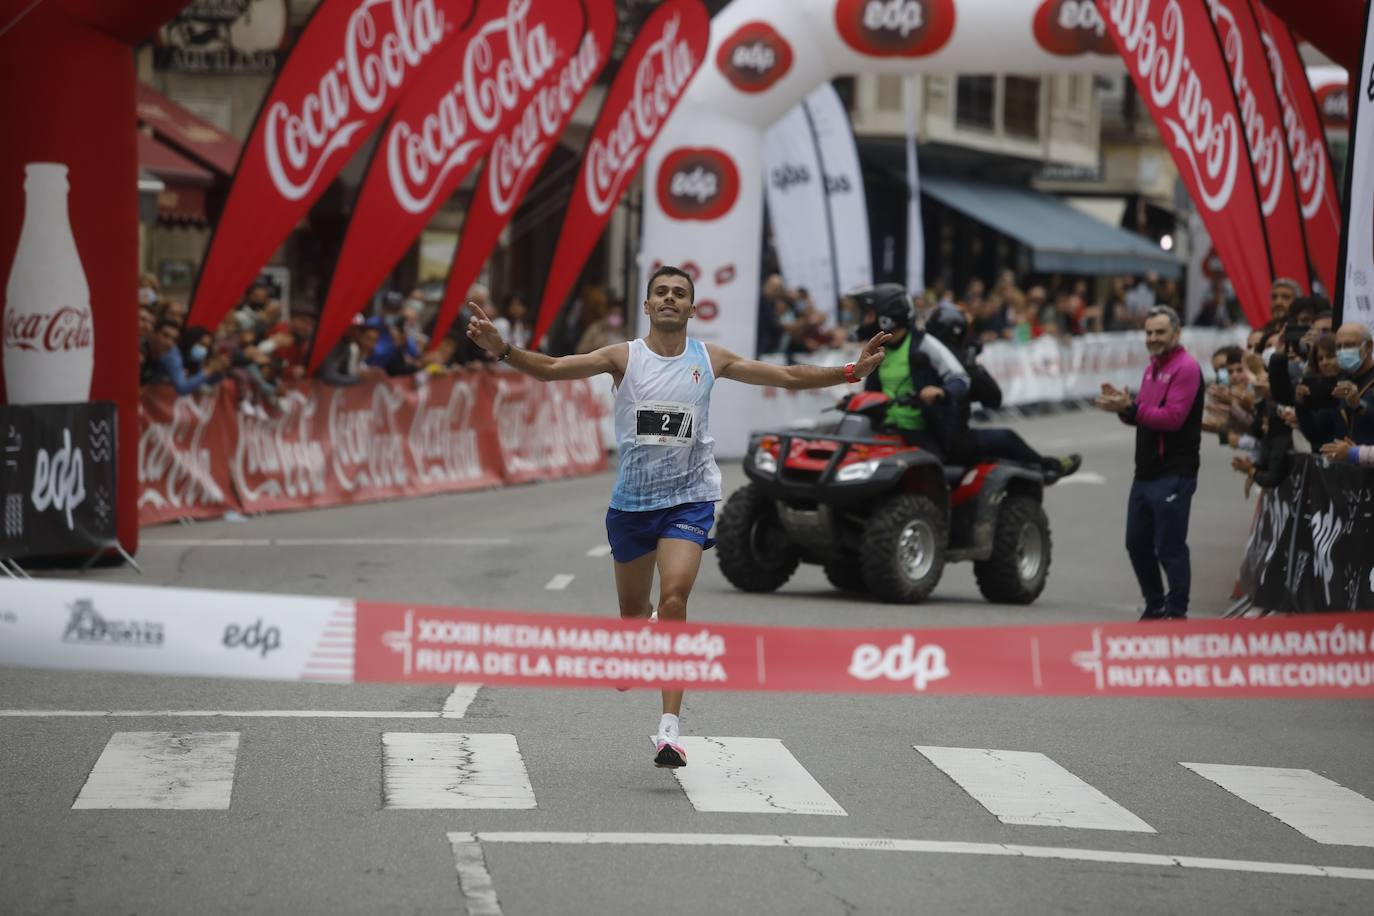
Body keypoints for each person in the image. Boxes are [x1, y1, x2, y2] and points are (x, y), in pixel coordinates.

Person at [464, 264, 891, 769]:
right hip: (632, 505)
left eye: (679, 293)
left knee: (674, 596)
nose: (669, 299)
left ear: (692, 308)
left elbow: (786, 376)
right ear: (647, 306)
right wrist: (504, 350)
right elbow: (554, 368)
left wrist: (850, 372)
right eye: (660, 292)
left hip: (690, 497)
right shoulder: (623, 357)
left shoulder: (710, 359)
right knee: (633, 612)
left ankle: (669, 729)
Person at [1094, 305, 1204, 621]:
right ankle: (1155, 605)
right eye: (1149, 333)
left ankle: (1177, 610)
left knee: (1169, 546)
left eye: (1160, 332)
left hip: (1174, 471)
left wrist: (1132, 407)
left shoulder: (1186, 368)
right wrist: (1123, 408)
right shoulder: (1151, 367)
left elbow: (1171, 419)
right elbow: (1143, 416)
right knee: (1136, 543)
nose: (1153, 338)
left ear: (1177, 333)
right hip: (1144, 473)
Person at [923, 304, 1081, 481]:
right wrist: (972, 367)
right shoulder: (957, 366)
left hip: (920, 437)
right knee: (1006, 438)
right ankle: (1048, 468)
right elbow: (994, 399)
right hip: (948, 442)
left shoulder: (915, 355)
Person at [849, 284, 968, 458]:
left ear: (887, 317)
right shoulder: (878, 350)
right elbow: (872, 392)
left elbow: (961, 379)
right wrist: (853, 401)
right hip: (885, 430)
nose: (865, 321)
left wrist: (941, 392)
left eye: (870, 314)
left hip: (919, 432)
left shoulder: (924, 343)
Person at [141, 319, 228, 394]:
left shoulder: (195, 361)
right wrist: (209, 370)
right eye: (200, 344)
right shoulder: (173, 356)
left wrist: (218, 371)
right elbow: (182, 388)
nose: (202, 349)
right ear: (190, 340)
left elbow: (205, 382)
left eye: (206, 346)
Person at [1332, 322, 1374, 445]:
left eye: (1349, 345)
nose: (1343, 351)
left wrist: (1359, 406)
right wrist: (1301, 405)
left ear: (1369, 346)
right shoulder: (1339, 381)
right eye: (1339, 347)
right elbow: (1320, 431)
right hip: (1345, 462)